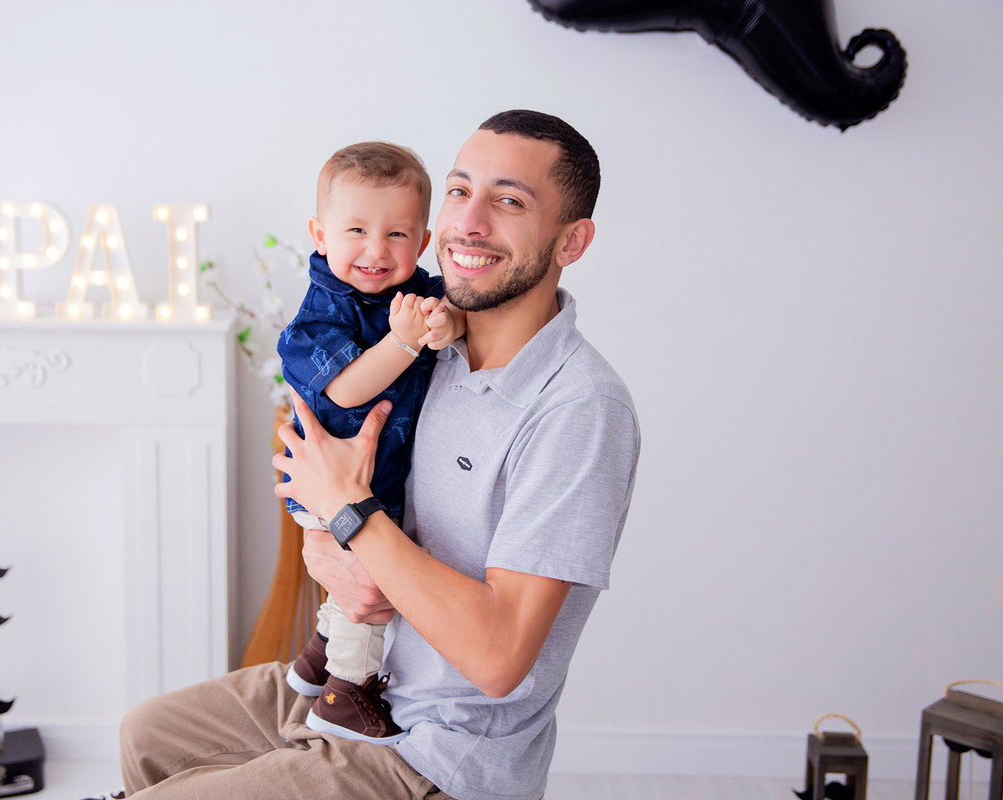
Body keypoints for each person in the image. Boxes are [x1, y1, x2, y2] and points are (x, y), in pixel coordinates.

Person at [118, 109, 641, 800]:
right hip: (357, 674)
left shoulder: (578, 408)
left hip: (434, 751)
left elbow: (496, 659)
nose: (469, 222)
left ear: (571, 241)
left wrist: (349, 513)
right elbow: (333, 476)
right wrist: (322, 542)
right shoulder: (430, 343)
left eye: (509, 200)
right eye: (459, 191)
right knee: (147, 734)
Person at [275, 141, 463, 744]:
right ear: (320, 233)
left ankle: (315, 660)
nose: (377, 251)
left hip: (375, 486)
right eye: (356, 230)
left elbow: (452, 314)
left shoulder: (417, 292)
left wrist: (446, 323)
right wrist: (407, 343)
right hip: (330, 488)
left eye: (398, 235)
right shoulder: (318, 316)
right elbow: (351, 389)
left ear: (424, 241)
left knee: (362, 576)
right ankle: (344, 692)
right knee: (369, 587)